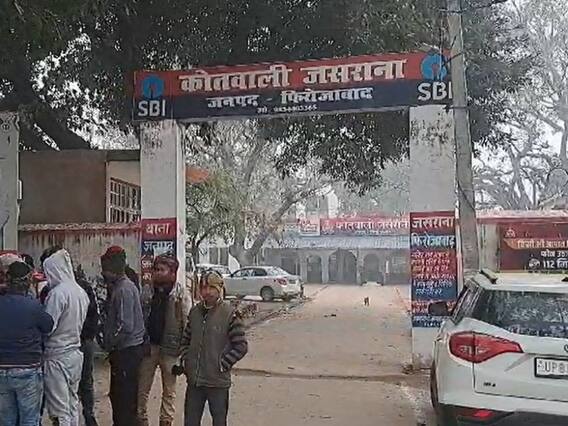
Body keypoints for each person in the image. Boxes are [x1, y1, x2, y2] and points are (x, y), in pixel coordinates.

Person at [180, 271, 249, 426]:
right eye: (204, 288)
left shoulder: (229, 314)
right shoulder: (195, 312)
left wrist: (223, 363)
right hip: (195, 381)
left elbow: (241, 346)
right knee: (190, 421)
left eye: (212, 287)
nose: (207, 292)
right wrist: (186, 360)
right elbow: (185, 341)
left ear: (219, 289)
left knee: (219, 421)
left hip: (218, 382)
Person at [138, 255, 190, 426]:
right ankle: (141, 420)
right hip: (149, 347)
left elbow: (187, 324)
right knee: (142, 389)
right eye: (156, 269)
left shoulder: (181, 294)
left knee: (169, 391)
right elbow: (140, 317)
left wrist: (184, 353)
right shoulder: (148, 291)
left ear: (173, 273)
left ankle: (166, 421)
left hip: (171, 350)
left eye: (162, 270)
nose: (157, 273)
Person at [0, 261, 54, 425]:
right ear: (28, 281)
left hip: (2, 369)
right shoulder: (33, 306)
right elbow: (48, 326)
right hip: (28, 369)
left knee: (6, 420)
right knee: (29, 419)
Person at [42, 247, 90, 426]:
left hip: (57, 356)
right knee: (72, 403)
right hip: (75, 353)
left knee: (59, 409)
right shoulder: (80, 292)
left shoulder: (57, 294)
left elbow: (48, 326)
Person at [101, 246, 145, 426]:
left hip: (127, 352)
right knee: (120, 397)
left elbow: (126, 326)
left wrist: (110, 342)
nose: (103, 273)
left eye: (105, 269)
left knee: (123, 400)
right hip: (126, 351)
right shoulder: (122, 287)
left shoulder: (123, 289)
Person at [75, 266, 100, 426]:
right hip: (81, 341)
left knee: (84, 381)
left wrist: (87, 335)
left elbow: (93, 314)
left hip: (81, 341)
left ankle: (88, 414)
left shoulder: (83, 287)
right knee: (85, 381)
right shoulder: (83, 287)